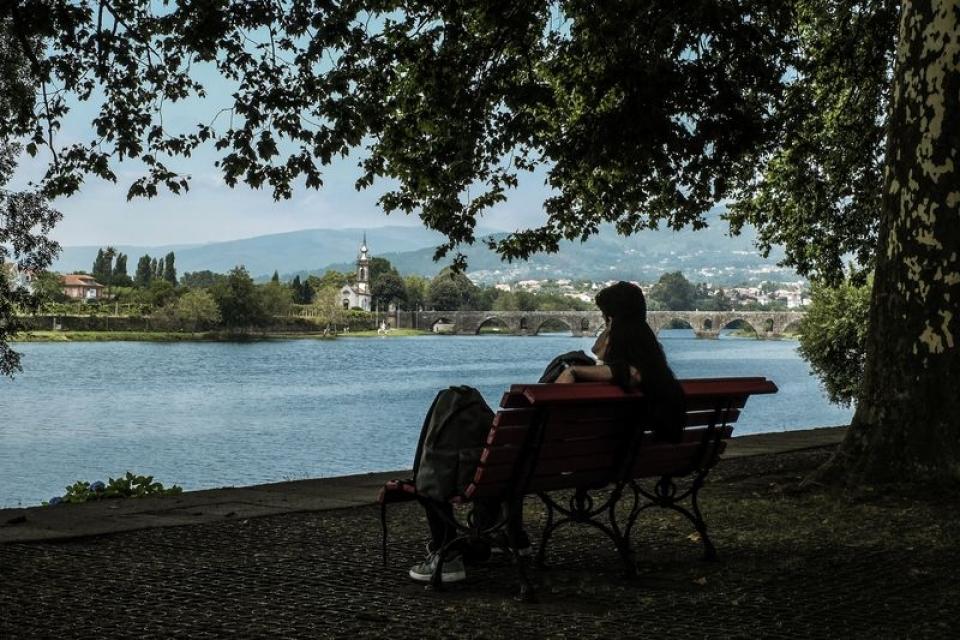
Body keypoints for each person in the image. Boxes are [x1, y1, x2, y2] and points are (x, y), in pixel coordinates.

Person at [555, 281, 686, 443]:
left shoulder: (626, 371)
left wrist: (572, 371)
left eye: (604, 316)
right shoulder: (656, 369)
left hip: (601, 451)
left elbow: (629, 372)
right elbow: (598, 351)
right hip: (650, 451)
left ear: (611, 319)